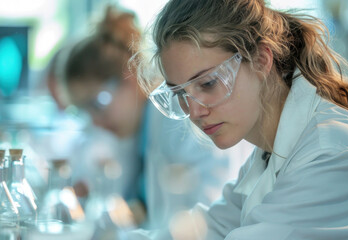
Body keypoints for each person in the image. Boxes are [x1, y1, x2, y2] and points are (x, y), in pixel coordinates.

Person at [130, 0, 348, 239]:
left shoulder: (329, 151)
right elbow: (210, 228)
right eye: (181, 93)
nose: (194, 112)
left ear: (261, 59)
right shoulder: (269, 151)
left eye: (208, 83)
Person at [62, 6, 252, 231]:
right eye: (82, 111)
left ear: (129, 75)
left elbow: (207, 216)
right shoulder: (137, 132)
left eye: (98, 103)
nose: (94, 121)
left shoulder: (183, 120)